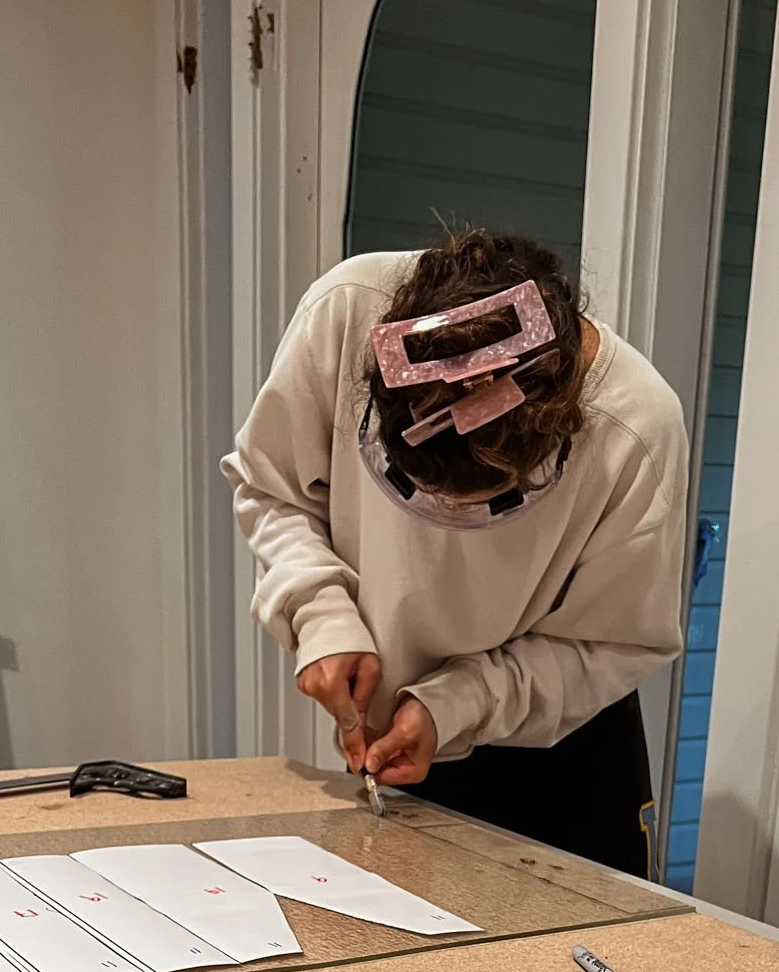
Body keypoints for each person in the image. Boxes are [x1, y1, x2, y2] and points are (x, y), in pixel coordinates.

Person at [222, 229, 688, 877]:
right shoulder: (345, 313)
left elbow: (615, 644)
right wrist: (321, 613)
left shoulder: (637, 430)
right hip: (409, 748)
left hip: (559, 746)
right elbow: (271, 485)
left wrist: (457, 703)